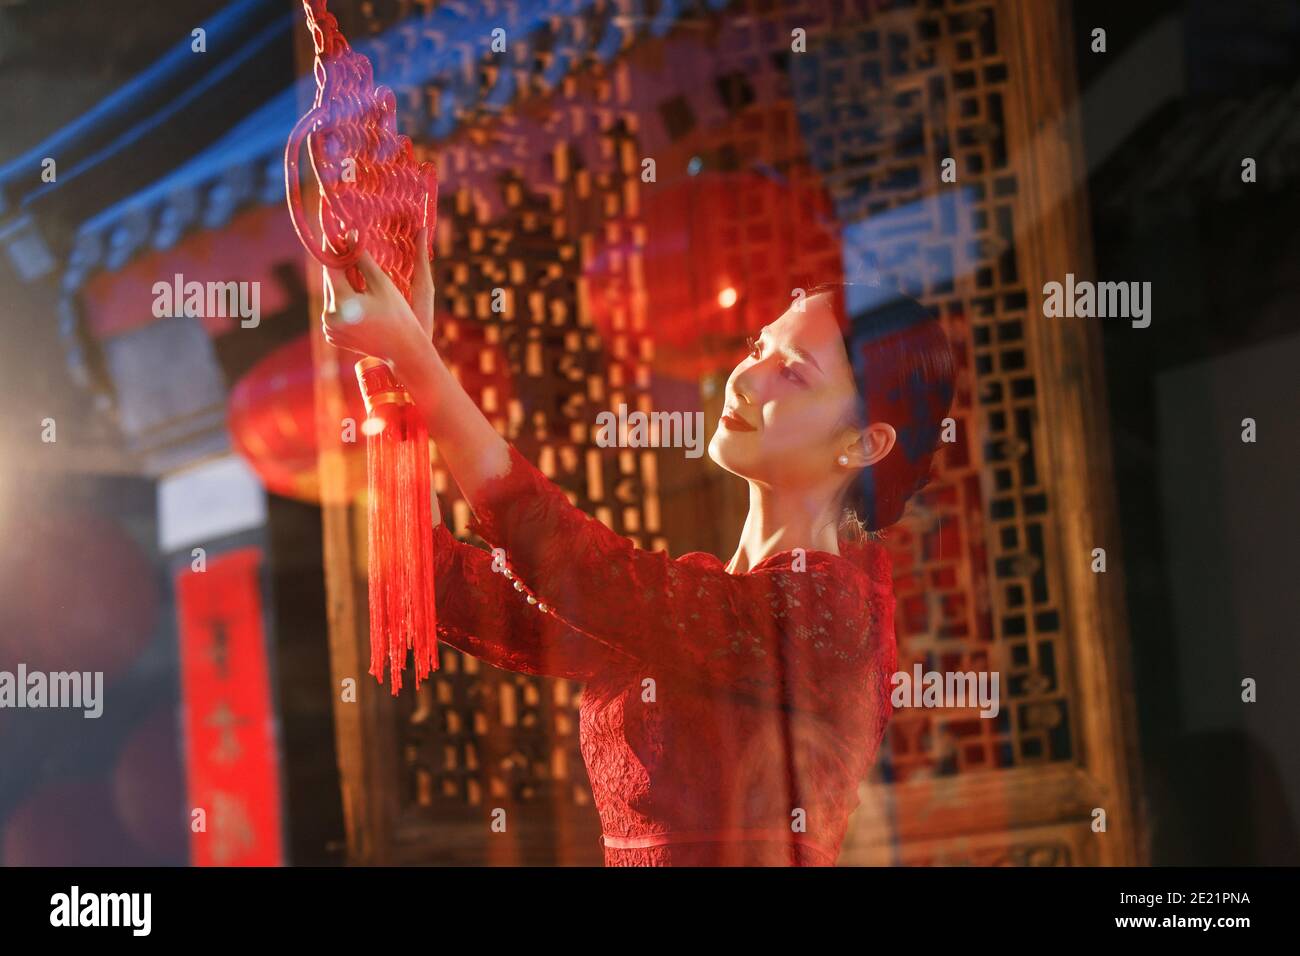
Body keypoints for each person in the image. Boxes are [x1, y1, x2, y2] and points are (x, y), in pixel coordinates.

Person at [321, 231, 956, 865]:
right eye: (759, 347)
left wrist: (415, 354)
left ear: (864, 445)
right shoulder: (701, 599)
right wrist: (392, 374)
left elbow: (568, 564)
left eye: (792, 373)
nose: (744, 379)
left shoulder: (835, 615)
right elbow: (441, 589)